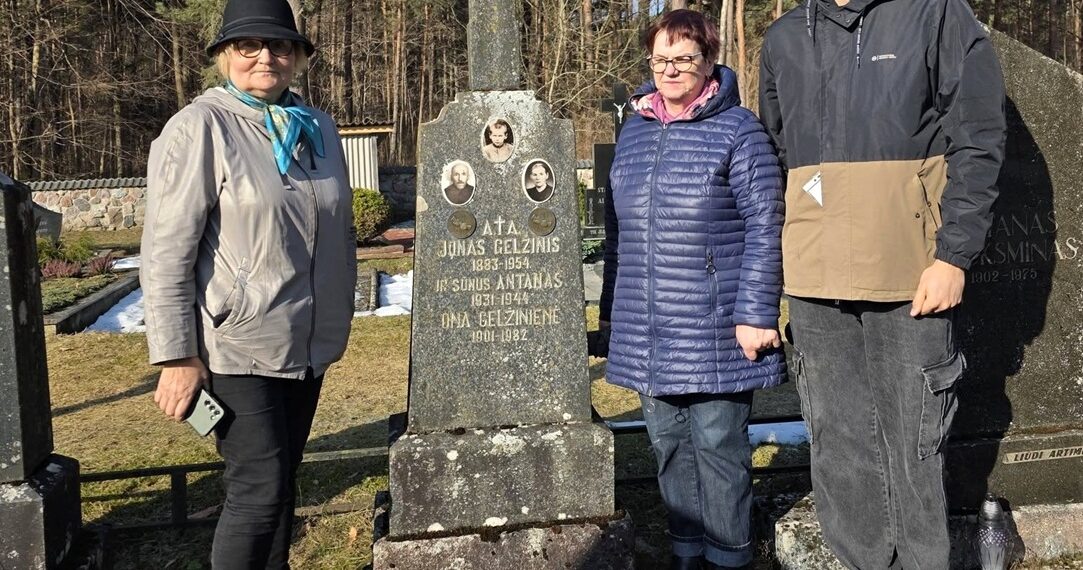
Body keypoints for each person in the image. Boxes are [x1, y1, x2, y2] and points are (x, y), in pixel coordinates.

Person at [758, 0, 1006, 567]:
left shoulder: (936, 14)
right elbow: (781, 153)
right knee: (838, 445)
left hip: (912, 273)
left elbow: (979, 136)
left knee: (915, 443)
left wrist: (955, 256)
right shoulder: (784, 37)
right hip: (815, 279)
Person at [141, 0, 356, 567]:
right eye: (248, 46)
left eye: (280, 45)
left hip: (307, 344)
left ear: (300, 58)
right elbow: (165, 254)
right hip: (235, 347)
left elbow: (335, 228)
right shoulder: (199, 128)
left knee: (282, 483)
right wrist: (176, 356)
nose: (266, 57)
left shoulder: (318, 129)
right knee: (258, 491)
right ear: (223, 57)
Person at [595, 9, 785, 570]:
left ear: (708, 61)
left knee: (719, 448)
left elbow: (765, 222)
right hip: (647, 325)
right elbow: (617, 234)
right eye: (660, 59)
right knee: (667, 447)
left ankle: (729, 557)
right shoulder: (634, 130)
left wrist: (755, 313)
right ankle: (686, 551)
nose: (671, 70)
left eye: (684, 58)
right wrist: (611, 318)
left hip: (715, 324)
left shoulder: (739, 130)